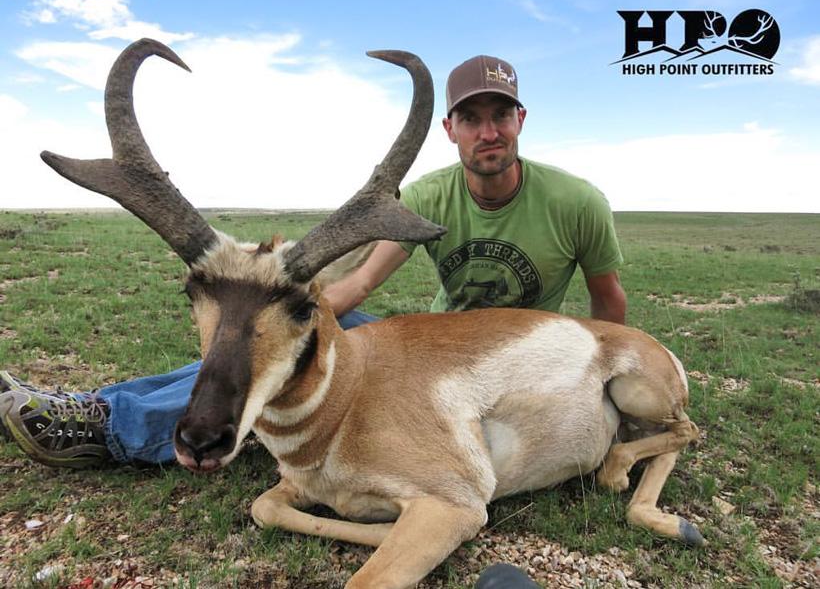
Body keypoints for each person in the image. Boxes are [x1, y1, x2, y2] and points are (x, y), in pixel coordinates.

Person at [0, 54, 625, 470]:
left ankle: (111, 429)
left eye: (499, 117)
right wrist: (291, 309)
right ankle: (93, 409)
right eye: (472, 119)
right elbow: (357, 282)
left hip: (518, 354)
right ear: (451, 128)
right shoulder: (431, 192)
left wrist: (610, 383)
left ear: (520, 121)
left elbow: (609, 304)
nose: (487, 132)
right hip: (434, 343)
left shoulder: (576, 202)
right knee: (275, 343)